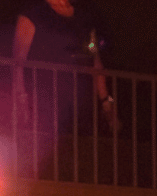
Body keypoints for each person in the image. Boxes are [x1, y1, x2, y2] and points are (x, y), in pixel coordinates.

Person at [12, 0, 113, 133]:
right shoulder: (33, 15)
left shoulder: (83, 16)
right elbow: (18, 61)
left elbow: (95, 62)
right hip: (46, 103)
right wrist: (21, 99)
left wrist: (107, 104)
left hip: (82, 104)